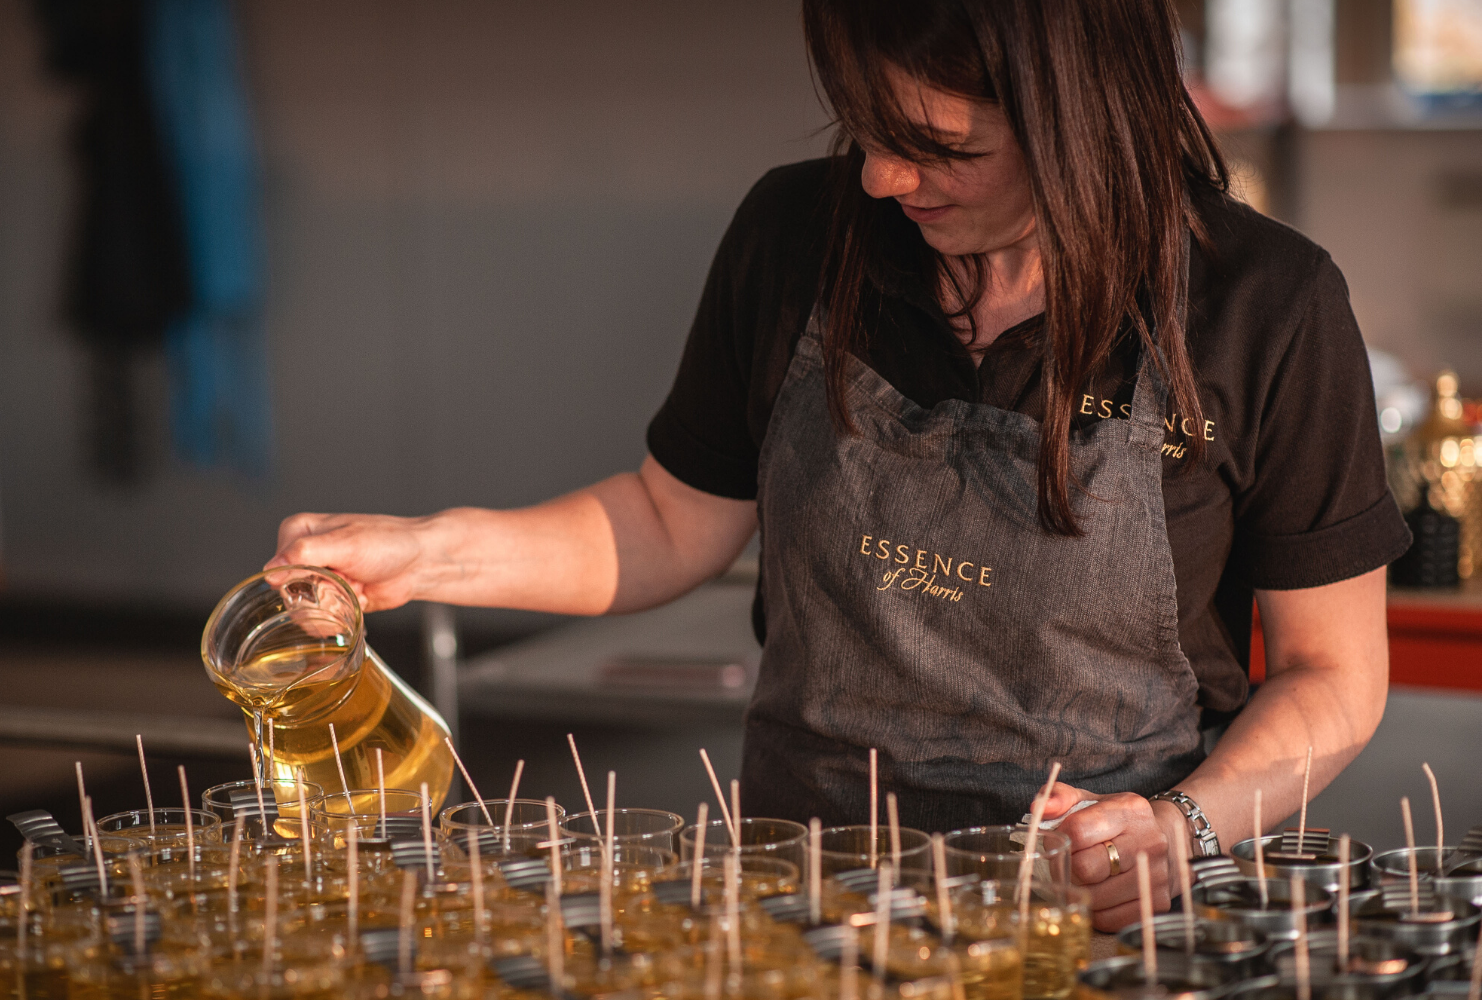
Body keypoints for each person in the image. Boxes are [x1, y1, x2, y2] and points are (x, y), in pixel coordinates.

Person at [266, 0, 1409, 930]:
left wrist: (1181, 828)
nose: (878, 180)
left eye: (939, 149)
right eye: (864, 130)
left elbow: (1332, 676)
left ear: (1082, 118)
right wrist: (422, 553)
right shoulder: (795, 236)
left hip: (1097, 914)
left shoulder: (1263, 307)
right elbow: (671, 521)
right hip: (801, 897)